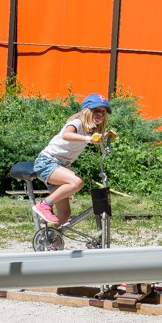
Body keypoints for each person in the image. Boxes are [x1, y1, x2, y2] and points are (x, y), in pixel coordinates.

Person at [31, 93, 112, 225]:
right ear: (87, 111)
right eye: (97, 110)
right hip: (46, 162)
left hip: (60, 167)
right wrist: (88, 139)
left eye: (103, 112)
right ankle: (44, 205)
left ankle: (54, 237)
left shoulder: (91, 129)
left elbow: (96, 136)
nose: (101, 114)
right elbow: (66, 135)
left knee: (65, 213)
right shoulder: (77, 123)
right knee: (77, 182)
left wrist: (106, 136)